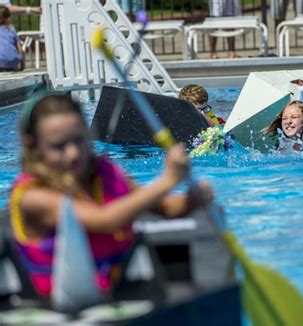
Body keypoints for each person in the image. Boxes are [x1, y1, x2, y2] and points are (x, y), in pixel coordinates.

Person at [9, 94, 213, 297]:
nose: (73, 153)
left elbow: (165, 207)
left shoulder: (106, 173)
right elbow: (104, 219)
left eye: (79, 140)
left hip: (117, 297)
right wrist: (168, 181)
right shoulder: (33, 195)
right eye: (58, 146)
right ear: (33, 146)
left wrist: (192, 200)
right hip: (56, 310)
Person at [0, 5, 24, 71]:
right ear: (7, 18)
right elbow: (20, 48)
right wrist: (22, 65)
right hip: (13, 60)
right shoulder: (11, 29)